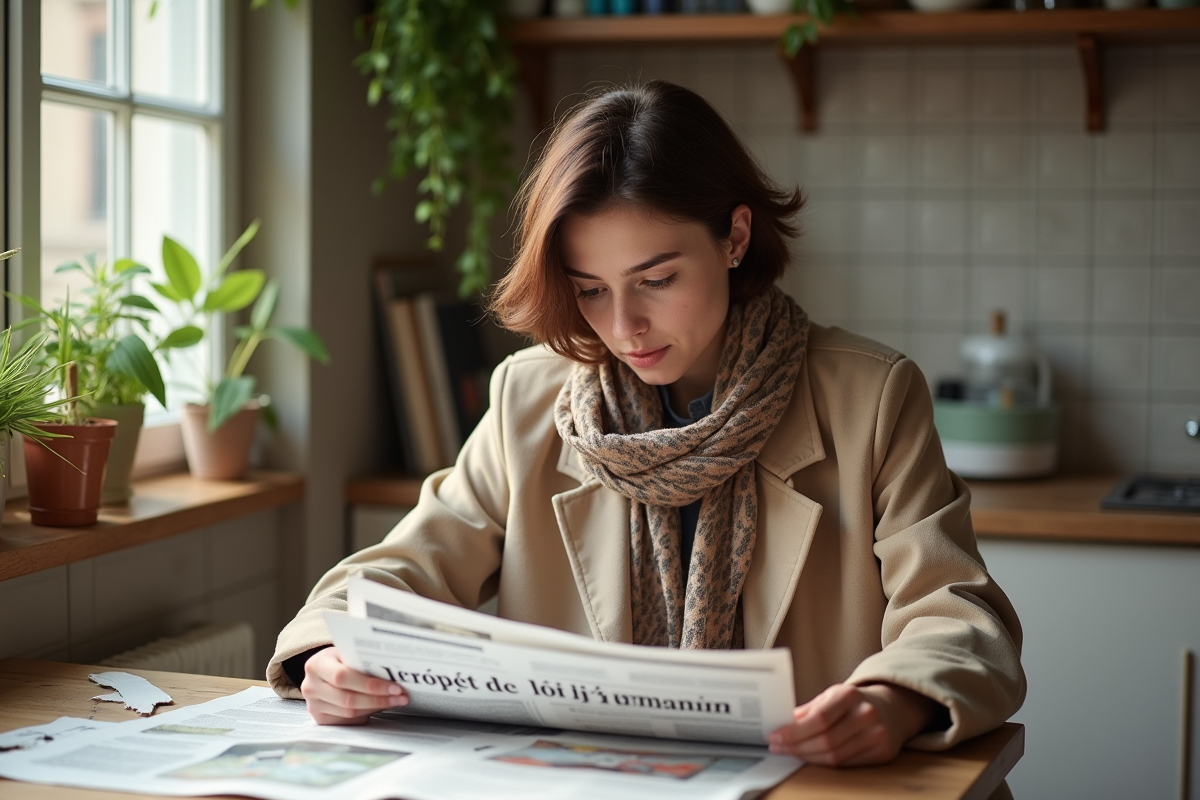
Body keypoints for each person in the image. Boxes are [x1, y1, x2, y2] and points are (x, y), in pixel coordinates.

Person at [268, 80, 1025, 769]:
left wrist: (894, 700)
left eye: (657, 280)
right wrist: (330, 653)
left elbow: (959, 615)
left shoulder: (872, 396)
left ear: (735, 237)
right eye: (591, 289)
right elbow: (395, 572)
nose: (624, 325)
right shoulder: (530, 400)